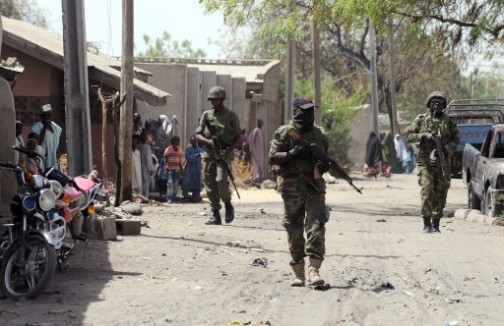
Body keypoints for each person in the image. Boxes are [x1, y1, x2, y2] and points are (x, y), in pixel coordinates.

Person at [268, 96, 329, 287]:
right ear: (295, 111)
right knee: (293, 227)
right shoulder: (285, 133)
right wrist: (292, 154)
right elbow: (273, 158)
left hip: (314, 185)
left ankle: (314, 269)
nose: (309, 114)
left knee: (316, 224)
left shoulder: (319, 134)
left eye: (311, 110)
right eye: (305, 110)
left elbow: (326, 159)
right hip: (291, 186)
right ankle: (298, 271)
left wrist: (320, 166)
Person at [406, 91, 460, 233]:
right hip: (425, 162)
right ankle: (426, 223)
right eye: (434, 101)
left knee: (441, 192)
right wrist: (423, 136)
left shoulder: (450, 121)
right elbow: (409, 136)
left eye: (440, 101)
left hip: (443, 162)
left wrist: (445, 149)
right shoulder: (421, 120)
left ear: (444, 104)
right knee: (427, 189)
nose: (437, 103)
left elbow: (456, 140)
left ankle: (436, 224)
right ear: (429, 103)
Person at [195, 85, 241, 225]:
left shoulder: (231, 116)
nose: (213, 102)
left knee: (221, 181)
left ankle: (228, 205)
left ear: (222, 99)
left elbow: (238, 138)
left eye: (216, 99)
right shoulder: (206, 115)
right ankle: (215, 214)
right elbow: (197, 135)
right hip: (209, 153)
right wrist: (208, 142)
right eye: (212, 99)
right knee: (209, 185)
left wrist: (227, 150)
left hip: (224, 153)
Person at [31, 104, 62, 169]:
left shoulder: (56, 128)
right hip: (43, 157)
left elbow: (56, 141)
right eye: (45, 115)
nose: (47, 116)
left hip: (54, 158)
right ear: (41, 116)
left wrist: (58, 150)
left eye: (49, 114)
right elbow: (37, 143)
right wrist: (45, 126)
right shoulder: (36, 127)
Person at [182, 136, 203, 203]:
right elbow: (188, 157)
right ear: (191, 142)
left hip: (197, 168)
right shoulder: (188, 148)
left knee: (197, 183)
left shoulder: (200, 149)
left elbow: (201, 157)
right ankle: (186, 197)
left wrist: (196, 157)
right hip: (189, 168)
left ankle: (196, 197)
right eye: (192, 141)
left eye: (195, 141)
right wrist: (195, 157)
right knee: (186, 182)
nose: (194, 143)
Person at [164, 136, 183, 203]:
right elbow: (165, 159)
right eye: (177, 141)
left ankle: (173, 198)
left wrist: (182, 170)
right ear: (173, 142)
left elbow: (179, 161)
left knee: (175, 185)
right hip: (170, 170)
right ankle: (169, 198)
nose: (178, 143)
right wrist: (165, 169)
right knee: (170, 184)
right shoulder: (168, 149)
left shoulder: (179, 150)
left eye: (179, 141)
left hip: (177, 170)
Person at [138, 130, 155, 199]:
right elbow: (148, 159)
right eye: (150, 137)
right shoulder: (147, 147)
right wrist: (151, 168)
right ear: (146, 138)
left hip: (140, 167)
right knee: (146, 183)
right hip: (146, 168)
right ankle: (145, 197)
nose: (152, 138)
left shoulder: (139, 146)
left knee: (140, 182)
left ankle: (141, 196)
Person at [248, 119, 265, 184]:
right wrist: (251, 148)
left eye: (262, 123)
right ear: (258, 123)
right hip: (255, 150)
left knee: (260, 164)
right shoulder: (256, 130)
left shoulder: (260, 131)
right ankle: (255, 177)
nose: (261, 124)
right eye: (260, 123)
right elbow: (250, 138)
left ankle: (259, 178)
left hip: (260, 151)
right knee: (255, 163)